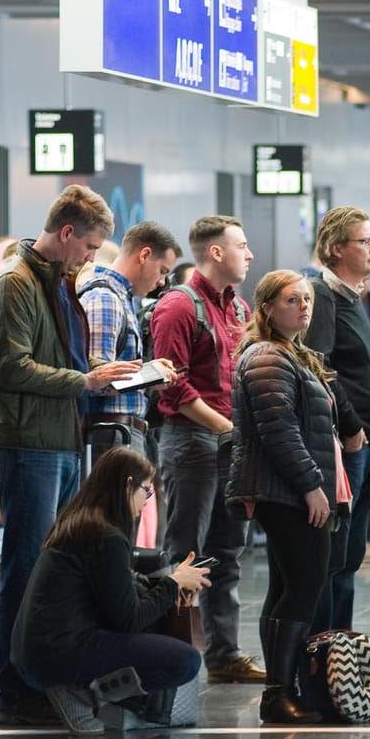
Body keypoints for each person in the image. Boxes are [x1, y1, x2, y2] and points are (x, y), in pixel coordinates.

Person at [0, 185, 141, 726]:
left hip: (60, 439)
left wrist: (101, 368)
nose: (92, 258)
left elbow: (53, 356)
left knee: (56, 571)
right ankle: (17, 686)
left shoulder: (57, 283)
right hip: (28, 444)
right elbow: (10, 367)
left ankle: (43, 679)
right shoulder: (14, 283)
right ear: (67, 233)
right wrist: (85, 378)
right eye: (91, 246)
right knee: (26, 569)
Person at [11, 448, 211, 734]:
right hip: (56, 654)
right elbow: (128, 619)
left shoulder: (82, 522)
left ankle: (90, 693)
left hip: (39, 651)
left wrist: (171, 588)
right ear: (127, 485)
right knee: (185, 661)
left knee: (161, 626)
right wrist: (172, 583)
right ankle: (84, 695)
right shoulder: (105, 537)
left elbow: (115, 598)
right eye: (146, 490)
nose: (147, 500)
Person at [227, 271, 347, 724]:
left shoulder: (289, 354)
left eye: (307, 299)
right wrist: (312, 487)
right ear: (268, 308)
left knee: (289, 588)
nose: (303, 306)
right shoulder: (266, 357)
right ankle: (278, 694)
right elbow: (280, 434)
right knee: (302, 587)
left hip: (292, 489)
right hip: (287, 492)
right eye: (292, 299)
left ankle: (283, 689)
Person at [151, 215, 261, 685]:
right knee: (184, 553)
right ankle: (173, 655)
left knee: (227, 551)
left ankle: (223, 654)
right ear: (216, 252)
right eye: (241, 245)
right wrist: (228, 429)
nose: (249, 254)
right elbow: (169, 388)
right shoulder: (179, 306)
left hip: (227, 442)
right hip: (192, 442)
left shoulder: (237, 309)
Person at [304, 206, 370, 633]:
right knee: (335, 557)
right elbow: (318, 367)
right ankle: (325, 652)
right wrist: (353, 426)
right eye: (365, 240)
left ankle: (342, 647)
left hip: (364, 442)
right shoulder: (323, 298)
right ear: (338, 249)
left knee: (350, 555)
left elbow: (357, 365)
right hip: (343, 445)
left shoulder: (350, 297)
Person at [80, 222, 182, 457]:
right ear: (145, 255)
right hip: (110, 435)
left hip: (121, 433)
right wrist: (148, 375)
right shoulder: (105, 298)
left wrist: (151, 375)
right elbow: (97, 381)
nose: (161, 282)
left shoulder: (121, 298)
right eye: (163, 271)